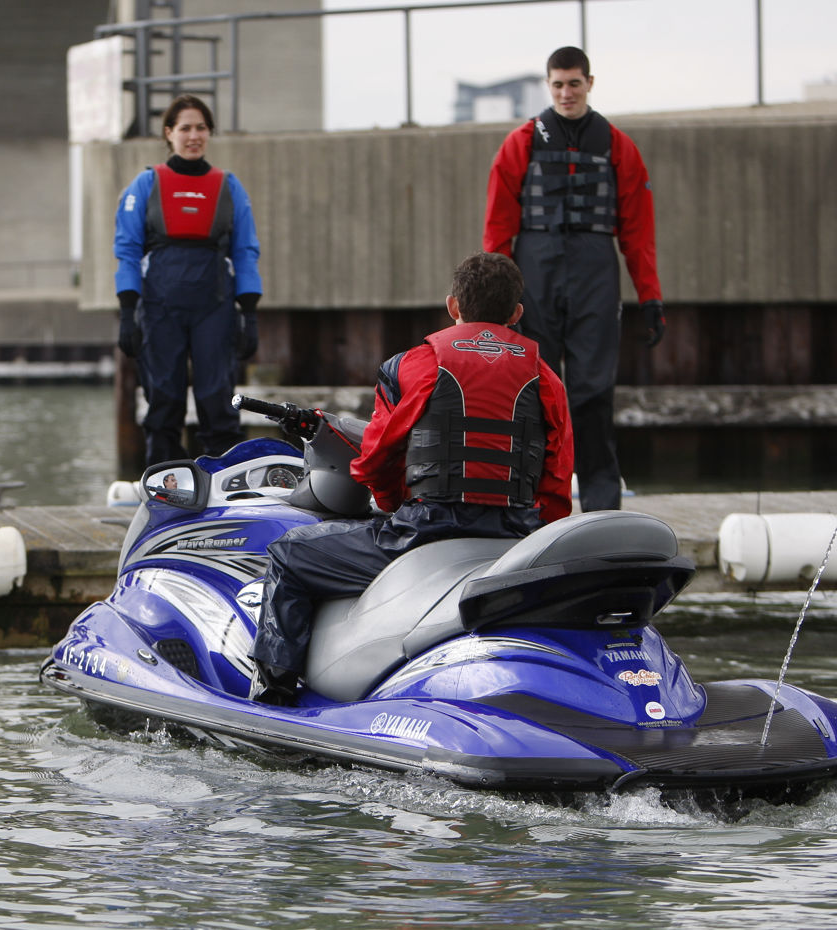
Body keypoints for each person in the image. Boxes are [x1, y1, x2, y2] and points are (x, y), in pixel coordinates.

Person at [249, 252, 575, 705]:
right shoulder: (547, 379)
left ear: (453, 306)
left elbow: (372, 462)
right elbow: (557, 487)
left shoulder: (413, 365)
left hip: (427, 531)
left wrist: (391, 503)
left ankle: (274, 693)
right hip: (513, 539)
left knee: (289, 553)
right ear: (517, 313)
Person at [483, 46, 664, 513]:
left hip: (594, 268)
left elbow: (639, 231)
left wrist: (651, 298)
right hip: (535, 269)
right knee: (532, 390)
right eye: (558, 84)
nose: (566, 92)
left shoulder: (618, 146)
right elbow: (498, 229)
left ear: (589, 83)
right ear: (549, 86)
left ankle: (602, 506)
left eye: (574, 83)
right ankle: (531, 502)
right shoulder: (520, 143)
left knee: (592, 391)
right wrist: (493, 304)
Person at [113, 94, 262, 467]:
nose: (193, 135)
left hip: (214, 307)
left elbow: (246, 251)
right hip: (160, 307)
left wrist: (250, 313)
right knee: (164, 399)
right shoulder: (145, 185)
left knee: (217, 398)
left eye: (200, 128)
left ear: (209, 133)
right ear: (169, 133)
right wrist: (128, 312)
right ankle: (166, 487)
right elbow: (127, 250)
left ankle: (224, 486)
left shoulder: (229, 187)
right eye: (184, 128)